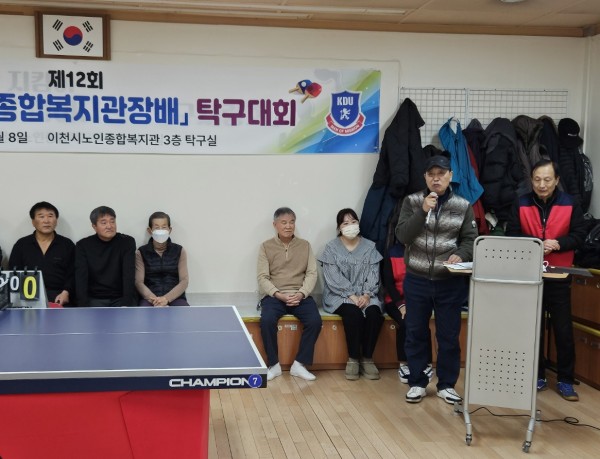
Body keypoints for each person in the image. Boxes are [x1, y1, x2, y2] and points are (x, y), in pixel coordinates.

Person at [396, 153, 477, 404]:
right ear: (425, 177)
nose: (436, 179)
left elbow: (471, 239)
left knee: (448, 335)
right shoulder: (412, 201)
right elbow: (403, 236)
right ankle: (417, 382)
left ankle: (446, 384)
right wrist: (422, 211)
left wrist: (461, 254)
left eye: (441, 174)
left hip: (449, 281)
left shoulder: (463, 205)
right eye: (431, 174)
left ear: (450, 176)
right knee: (415, 332)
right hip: (416, 279)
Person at [506, 159, 586, 401]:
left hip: (560, 274)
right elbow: (512, 234)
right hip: (529, 274)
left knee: (563, 329)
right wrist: (536, 244)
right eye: (537, 179)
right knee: (533, 328)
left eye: (547, 180)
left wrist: (558, 243)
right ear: (531, 180)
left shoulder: (570, 203)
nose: (542, 184)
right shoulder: (520, 202)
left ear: (557, 180)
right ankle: (537, 375)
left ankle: (565, 380)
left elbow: (580, 235)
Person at [257, 207, 322, 381]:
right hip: (275, 296)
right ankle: (274, 365)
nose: (288, 226)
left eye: (292, 222)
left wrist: (301, 293)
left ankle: (299, 365)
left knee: (315, 321)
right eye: (284, 222)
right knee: (267, 320)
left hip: (300, 295)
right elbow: (262, 277)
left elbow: (312, 273)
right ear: (275, 225)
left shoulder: (305, 245)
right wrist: (278, 294)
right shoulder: (266, 247)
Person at [319, 208, 384, 380]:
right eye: (345, 223)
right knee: (353, 314)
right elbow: (333, 277)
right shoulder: (331, 248)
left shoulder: (370, 247)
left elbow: (374, 274)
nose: (350, 225)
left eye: (353, 222)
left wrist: (367, 295)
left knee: (374, 314)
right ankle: (353, 358)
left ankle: (368, 358)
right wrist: (351, 295)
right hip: (339, 295)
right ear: (339, 227)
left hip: (366, 294)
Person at [381, 240, 433, 384]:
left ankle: (427, 363)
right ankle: (404, 364)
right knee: (405, 322)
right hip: (395, 300)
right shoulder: (392, 253)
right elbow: (388, 283)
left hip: (418, 299)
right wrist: (401, 305)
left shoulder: (424, 251)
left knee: (422, 322)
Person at [8, 201, 75, 306]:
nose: (46, 221)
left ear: (56, 221)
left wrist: (66, 292)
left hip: (59, 297)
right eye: (41, 216)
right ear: (33, 222)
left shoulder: (67, 244)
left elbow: (73, 273)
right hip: (28, 298)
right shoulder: (21, 244)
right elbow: (13, 272)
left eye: (50, 216)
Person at [75, 206, 136, 307]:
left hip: (120, 298)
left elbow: (129, 274)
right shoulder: (83, 245)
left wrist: (126, 304)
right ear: (94, 226)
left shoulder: (127, 242)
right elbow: (81, 278)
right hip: (95, 299)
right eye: (104, 223)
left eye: (112, 221)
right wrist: (83, 306)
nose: (109, 226)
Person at [135, 211, 189, 306]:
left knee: (184, 311)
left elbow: (184, 280)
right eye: (156, 227)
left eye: (164, 227)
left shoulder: (179, 250)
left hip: (176, 298)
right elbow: (139, 282)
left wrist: (166, 299)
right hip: (149, 299)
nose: (160, 230)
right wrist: (156, 300)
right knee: (142, 311)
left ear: (170, 230)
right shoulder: (141, 252)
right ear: (150, 230)